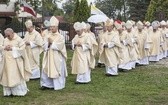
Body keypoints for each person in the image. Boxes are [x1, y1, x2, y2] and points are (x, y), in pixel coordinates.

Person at [0, 28, 31, 96]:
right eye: (6, 35)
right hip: (6, 62)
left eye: (9, 35)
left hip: (16, 62)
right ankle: (8, 93)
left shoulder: (19, 39)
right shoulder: (5, 40)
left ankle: (19, 92)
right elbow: (1, 47)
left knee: (15, 76)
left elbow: (22, 50)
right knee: (7, 76)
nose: (8, 37)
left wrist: (13, 49)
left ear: (12, 33)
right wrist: (5, 47)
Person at [40, 16, 68, 90]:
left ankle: (58, 85)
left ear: (57, 27)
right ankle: (47, 84)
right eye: (51, 27)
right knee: (46, 68)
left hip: (57, 56)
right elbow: (43, 45)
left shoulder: (60, 36)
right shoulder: (47, 35)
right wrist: (48, 44)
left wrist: (53, 43)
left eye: (53, 27)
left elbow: (60, 46)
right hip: (49, 55)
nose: (51, 28)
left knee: (56, 69)